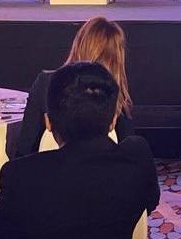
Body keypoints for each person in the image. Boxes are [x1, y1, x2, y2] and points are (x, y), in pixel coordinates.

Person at [0, 62, 160, 239]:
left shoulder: (22, 176)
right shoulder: (137, 161)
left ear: (48, 122)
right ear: (113, 121)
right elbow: (149, 202)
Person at [15, 17, 134, 157]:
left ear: (78, 44)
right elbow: (129, 155)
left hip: (51, 169)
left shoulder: (47, 82)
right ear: (118, 57)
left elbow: (25, 148)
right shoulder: (114, 93)